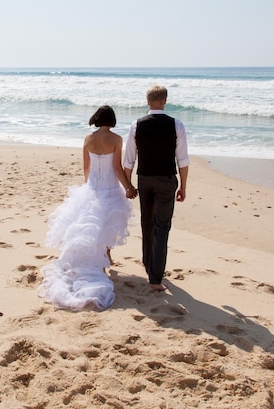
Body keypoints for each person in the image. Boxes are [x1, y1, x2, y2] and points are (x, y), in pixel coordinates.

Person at [38, 106, 135, 311]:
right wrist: (127, 186)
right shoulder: (116, 139)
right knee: (109, 221)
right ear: (112, 120)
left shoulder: (88, 139)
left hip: (92, 186)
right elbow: (117, 167)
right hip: (109, 186)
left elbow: (86, 167)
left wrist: (88, 187)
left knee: (89, 223)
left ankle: (101, 257)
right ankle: (106, 256)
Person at [123, 85, 189, 292]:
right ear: (165, 100)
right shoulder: (176, 125)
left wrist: (129, 185)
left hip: (145, 179)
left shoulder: (136, 125)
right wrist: (183, 187)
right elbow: (183, 160)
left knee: (147, 223)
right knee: (162, 227)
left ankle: (148, 263)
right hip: (167, 180)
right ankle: (155, 277)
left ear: (147, 101)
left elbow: (129, 160)